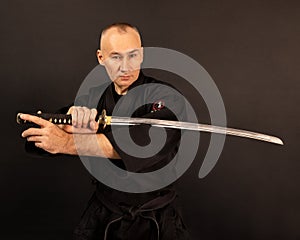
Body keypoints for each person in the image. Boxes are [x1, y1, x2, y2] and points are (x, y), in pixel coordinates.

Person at [20, 23, 189, 240]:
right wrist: (66, 125)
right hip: (104, 215)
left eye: (133, 55)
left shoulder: (166, 96)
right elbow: (39, 136)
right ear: (101, 58)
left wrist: (69, 143)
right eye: (116, 57)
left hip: (157, 218)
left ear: (142, 54)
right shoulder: (93, 99)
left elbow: (144, 145)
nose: (126, 67)